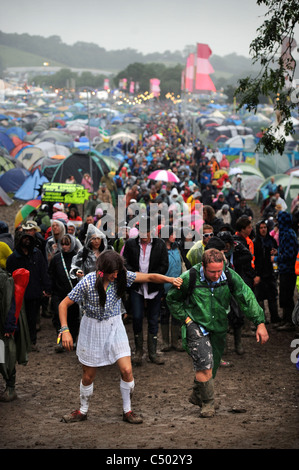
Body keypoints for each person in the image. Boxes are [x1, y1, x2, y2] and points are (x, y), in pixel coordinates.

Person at [58, 250, 182, 424]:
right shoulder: (87, 282)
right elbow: (63, 304)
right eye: (112, 273)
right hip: (92, 327)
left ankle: (127, 410)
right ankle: (82, 410)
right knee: (88, 375)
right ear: (102, 271)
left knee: (127, 370)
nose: (116, 275)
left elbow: (149, 277)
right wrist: (65, 330)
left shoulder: (122, 276)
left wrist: (170, 280)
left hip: (115, 326)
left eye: (118, 271)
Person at [166, 248, 269, 418]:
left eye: (219, 271)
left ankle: (198, 394)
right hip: (196, 325)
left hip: (219, 325)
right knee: (205, 364)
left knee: (211, 365)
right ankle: (208, 403)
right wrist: (186, 320)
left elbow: (246, 297)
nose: (216, 275)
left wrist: (260, 322)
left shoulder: (229, 276)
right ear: (203, 266)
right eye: (212, 271)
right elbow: (172, 299)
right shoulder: (189, 277)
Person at [122, 217, 169, 366]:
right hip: (137, 286)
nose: (144, 235)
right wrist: (135, 275)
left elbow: (164, 265)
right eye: (142, 231)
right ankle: (138, 351)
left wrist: (151, 278)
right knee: (136, 317)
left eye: (147, 232)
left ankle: (152, 353)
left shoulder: (160, 244)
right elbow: (125, 262)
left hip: (154, 287)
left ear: (152, 231)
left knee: (153, 319)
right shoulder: (130, 244)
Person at [6, 231, 51, 350]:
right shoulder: (13, 258)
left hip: (34, 292)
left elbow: (43, 271)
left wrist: (47, 288)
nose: (27, 240)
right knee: (20, 320)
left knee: (32, 319)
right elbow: (9, 277)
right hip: (18, 294)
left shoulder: (37, 254)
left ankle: (32, 342)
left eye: (29, 238)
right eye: (24, 238)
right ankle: (20, 342)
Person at [48, 234, 80, 351]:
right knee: (58, 316)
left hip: (73, 293)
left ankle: (74, 339)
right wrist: (49, 289)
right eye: (63, 244)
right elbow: (50, 274)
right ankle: (60, 340)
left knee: (73, 317)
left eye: (68, 244)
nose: (65, 247)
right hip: (59, 293)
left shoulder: (77, 257)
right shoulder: (56, 258)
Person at [159, 226, 184, 352]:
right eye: (172, 233)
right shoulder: (160, 249)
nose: (174, 235)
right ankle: (165, 342)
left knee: (176, 314)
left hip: (177, 287)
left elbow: (182, 264)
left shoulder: (177, 248)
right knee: (164, 314)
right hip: (164, 287)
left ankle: (175, 341)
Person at [273, 211, 298, 331]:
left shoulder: (288, 234)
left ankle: (290, 321)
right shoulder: (285, 232)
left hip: (289, 270)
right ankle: (285, 319)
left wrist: (276, 258)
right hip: (285, 269)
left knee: (287, 295)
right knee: (283, 295)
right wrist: (277, 252)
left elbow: (289, 254)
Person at [254, 220, 280, 324]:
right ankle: (262, 319)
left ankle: (275, 317)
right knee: (260, 298)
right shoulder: (255, 242)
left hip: (270, 273)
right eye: (261, 228)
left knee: (272, 297)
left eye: (265, 227)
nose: (263, 229)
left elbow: (276, 252)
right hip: (260, 274)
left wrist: (276, 252)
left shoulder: (271, 240)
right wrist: (257, 274)